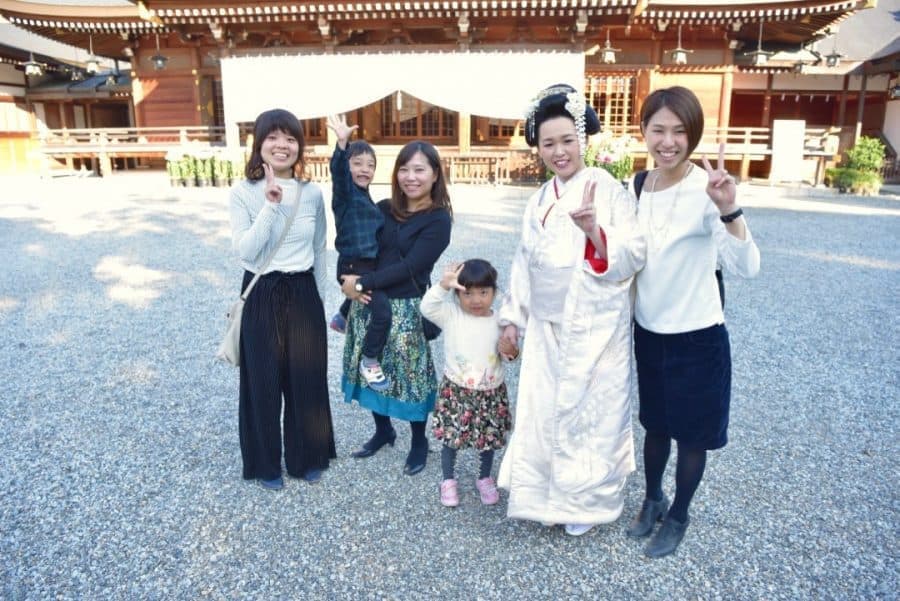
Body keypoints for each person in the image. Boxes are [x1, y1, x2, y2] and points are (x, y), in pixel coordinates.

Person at [497, 84, 647, 536]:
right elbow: (524, 261)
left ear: (583, 140)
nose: (558, 152)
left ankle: (586, 504)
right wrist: (512, 318)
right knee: (544, 413)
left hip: (592, 326)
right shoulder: (540, 198)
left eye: (567, 140)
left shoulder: (608, 188)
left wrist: (596, 232)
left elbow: (633, 253)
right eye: (548, 143)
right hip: (546, 324)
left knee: (589, 415)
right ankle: (548, 498)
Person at [625, 86, 760, 558]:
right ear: (644, 131)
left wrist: (728, 209)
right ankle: (652, 498)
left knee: (691, 436)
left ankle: (679, 514)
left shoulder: (707, 189)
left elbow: (747, 267)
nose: (668, 142)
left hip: (698, 337)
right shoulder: (637, 186)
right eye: (658, 130)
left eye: (679, 131)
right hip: (649, 332)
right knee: (655, 426)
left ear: (694, 134)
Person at [228, 108, 336, 490]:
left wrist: (319, 299)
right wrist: (271, 206)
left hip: (303, 289)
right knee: (263, 382)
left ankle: (306, 456)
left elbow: (319, 248)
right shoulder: (243, 192)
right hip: (262, 290)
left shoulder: (312, 193)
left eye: (290, 138)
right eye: (272, 137)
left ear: (299, 146)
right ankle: (265, 463)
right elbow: (245, 251)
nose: (282, 145)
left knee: (307, 378)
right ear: (258, 144)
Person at [340, 140, 452, 476]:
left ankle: (419, 441)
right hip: (370, 304)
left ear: (435, 174)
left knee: (411, 377)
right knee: (373, 372)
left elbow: (411, 267)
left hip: (406, 307)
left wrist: (361, 283)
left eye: (419, 169)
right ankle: (383, 430)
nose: (410, 177)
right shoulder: (385, 207)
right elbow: (359, 243)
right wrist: (346, 278)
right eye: (404, 169)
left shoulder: (438, 220)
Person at [420, 259, 514, 507]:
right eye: (467, 293)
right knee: (452, 437)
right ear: (457, 294)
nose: (476, 300)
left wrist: (511, 351)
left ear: (494, 292)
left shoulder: (500, 321)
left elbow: (509, 355)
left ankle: (484, 477)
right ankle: (448, 479)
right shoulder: (451, 314)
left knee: (489, 437)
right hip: (457, 390)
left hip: (490, 391)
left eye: (483, 292)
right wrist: (443, 285)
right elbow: (427, 307)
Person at [325, 114, 392, 392]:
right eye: (357, 163)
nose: (365, 169)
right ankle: (370, 360)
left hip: (367, 264)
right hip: (355, 266)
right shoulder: (346, 194)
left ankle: (342, 315)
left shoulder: (365, 195)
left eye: (370, 165)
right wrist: (342, 145)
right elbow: (339, 175)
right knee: (383, 313)